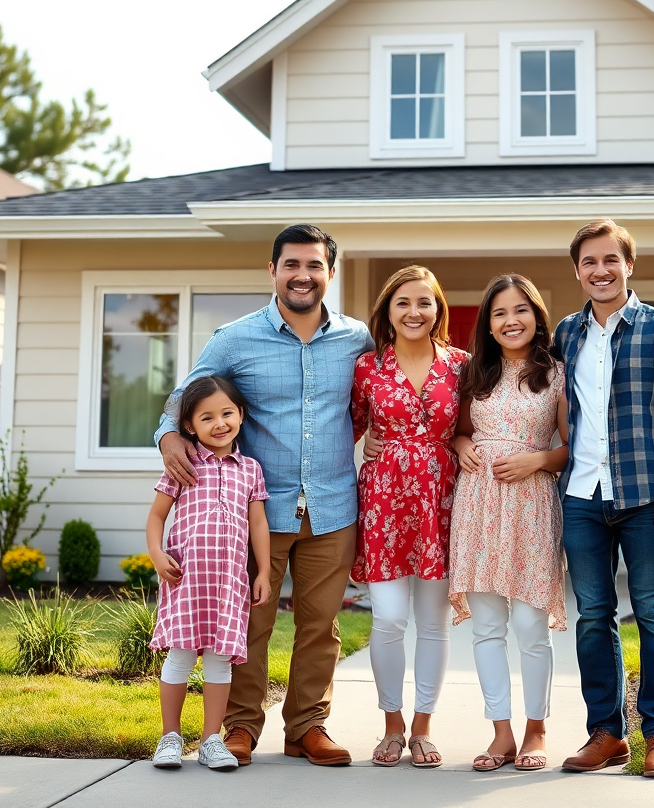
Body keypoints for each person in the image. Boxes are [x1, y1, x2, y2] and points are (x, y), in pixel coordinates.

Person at [155, 224, 373, 767]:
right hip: (255, 511)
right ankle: (241, 728)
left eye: (314, 265)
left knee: (320, 626)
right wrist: (167, 437)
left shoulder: (357, 338)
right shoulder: (234, 338)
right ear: (272, 271)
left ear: (329, 272)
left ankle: (307, 727)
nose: (303, 275)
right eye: (292, 265)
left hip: (332, 505)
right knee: (249, 622)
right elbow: (184, 399)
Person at [554, 220, 654, 779]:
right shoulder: (567, 334)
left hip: (646, 495)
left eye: (610, 260)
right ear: (577, 271)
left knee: (653, 611)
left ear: (629, 265)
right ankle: (606, 733)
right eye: (590, 262)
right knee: (593, 615)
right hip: (581, 496)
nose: (601, 271)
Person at [449, 274, 569, 773]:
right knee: (488, 628)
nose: (510, 320)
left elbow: (572, 450)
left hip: (531, 507)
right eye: (499, 313)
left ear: (536, 317)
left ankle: (536, 729)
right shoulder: (474, 373)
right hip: (477, 506)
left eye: (520, 310)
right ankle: (500, 733)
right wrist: (462, 448)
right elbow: (456, 433)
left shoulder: (557, 374)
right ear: (489, 324)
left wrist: (537, 461)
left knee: (529, 625)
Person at [350, 266, 468, 768]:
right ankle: (391, 724)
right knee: (390, 618)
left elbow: (468, 428)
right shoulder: (367, 367)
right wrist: (369, 444)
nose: (414, 312)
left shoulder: (461, 365)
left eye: (425, 302)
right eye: (403, 302)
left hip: (441, 499)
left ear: (438, 309)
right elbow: (347, 428)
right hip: (384, 500)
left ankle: (422, 726)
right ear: (388, 311)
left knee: (433, 623)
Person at [147, 375, 272, 771]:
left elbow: (258, 525)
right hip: (185, 580)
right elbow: (156, 516)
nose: (219, 423)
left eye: (227, 414)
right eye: (207, 417)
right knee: (180, 658)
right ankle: (169, 737)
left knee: (219, 661)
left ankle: (210, 740)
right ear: (189, 426)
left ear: (241, 415)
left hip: (229, 583)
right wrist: (155, 553)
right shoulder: (183, 465)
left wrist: (264, 572)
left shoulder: (250, 469)